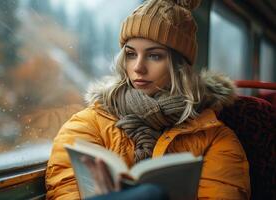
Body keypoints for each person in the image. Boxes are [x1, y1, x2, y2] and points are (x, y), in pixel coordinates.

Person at [45, 0, 250, 199]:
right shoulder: (87, 125)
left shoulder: (215, 137)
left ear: (179, 67)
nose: (138, 67)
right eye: (131, 54)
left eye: (154, 56)